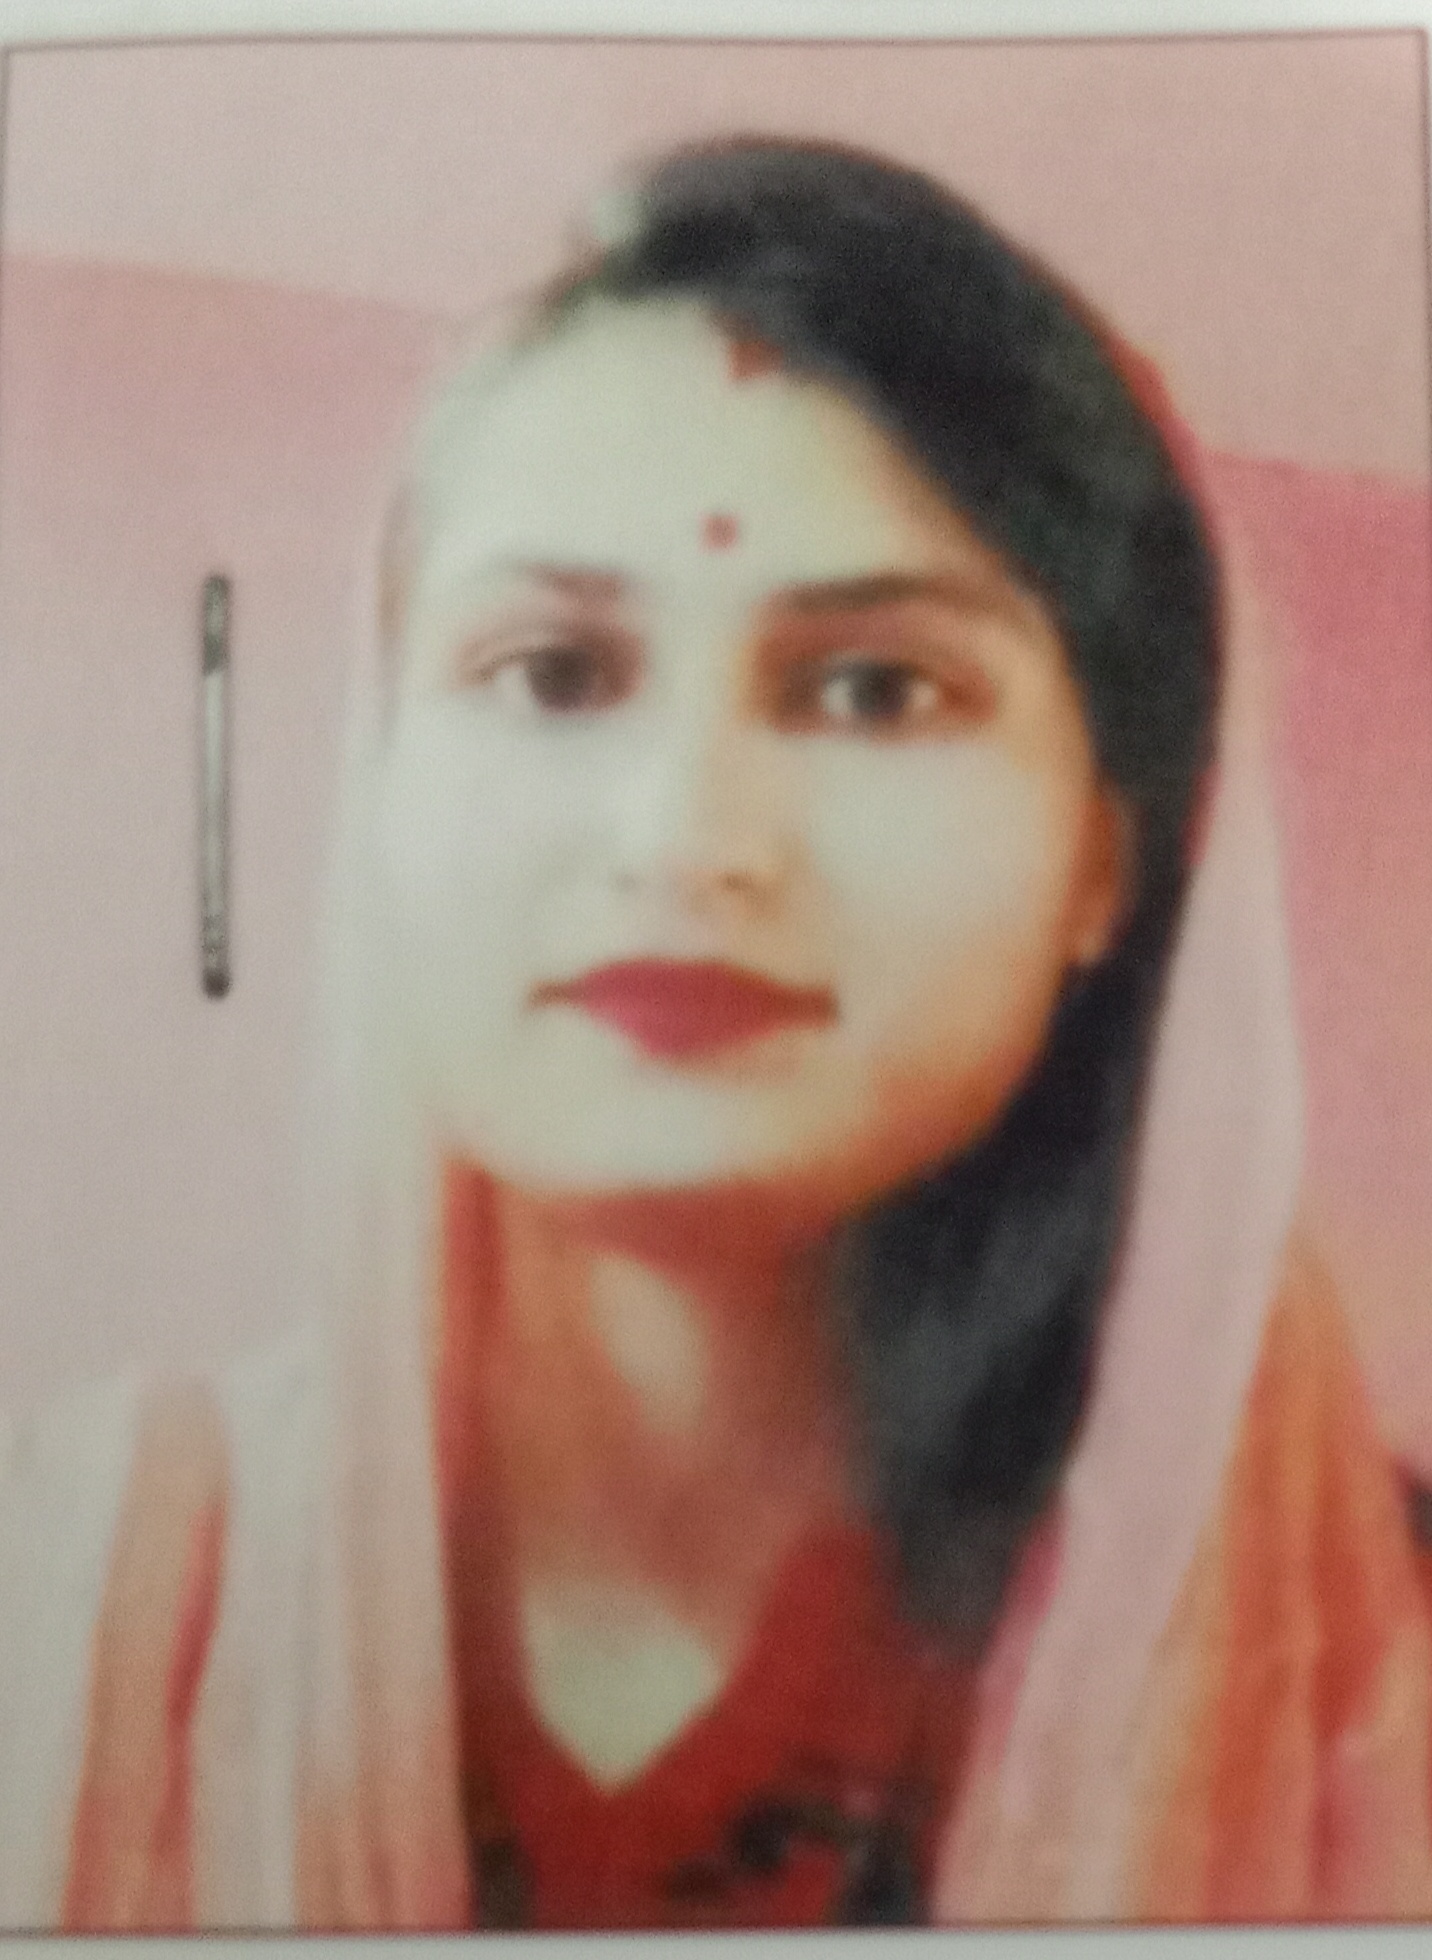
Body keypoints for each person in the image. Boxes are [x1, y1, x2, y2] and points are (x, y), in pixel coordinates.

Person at [5, 137, 1432, 1931]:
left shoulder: (1370, 1662)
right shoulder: (74, 1603)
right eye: (553, 673)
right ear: (382, 778)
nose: (683, 836)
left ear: (1111, 854)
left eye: (874, 689)